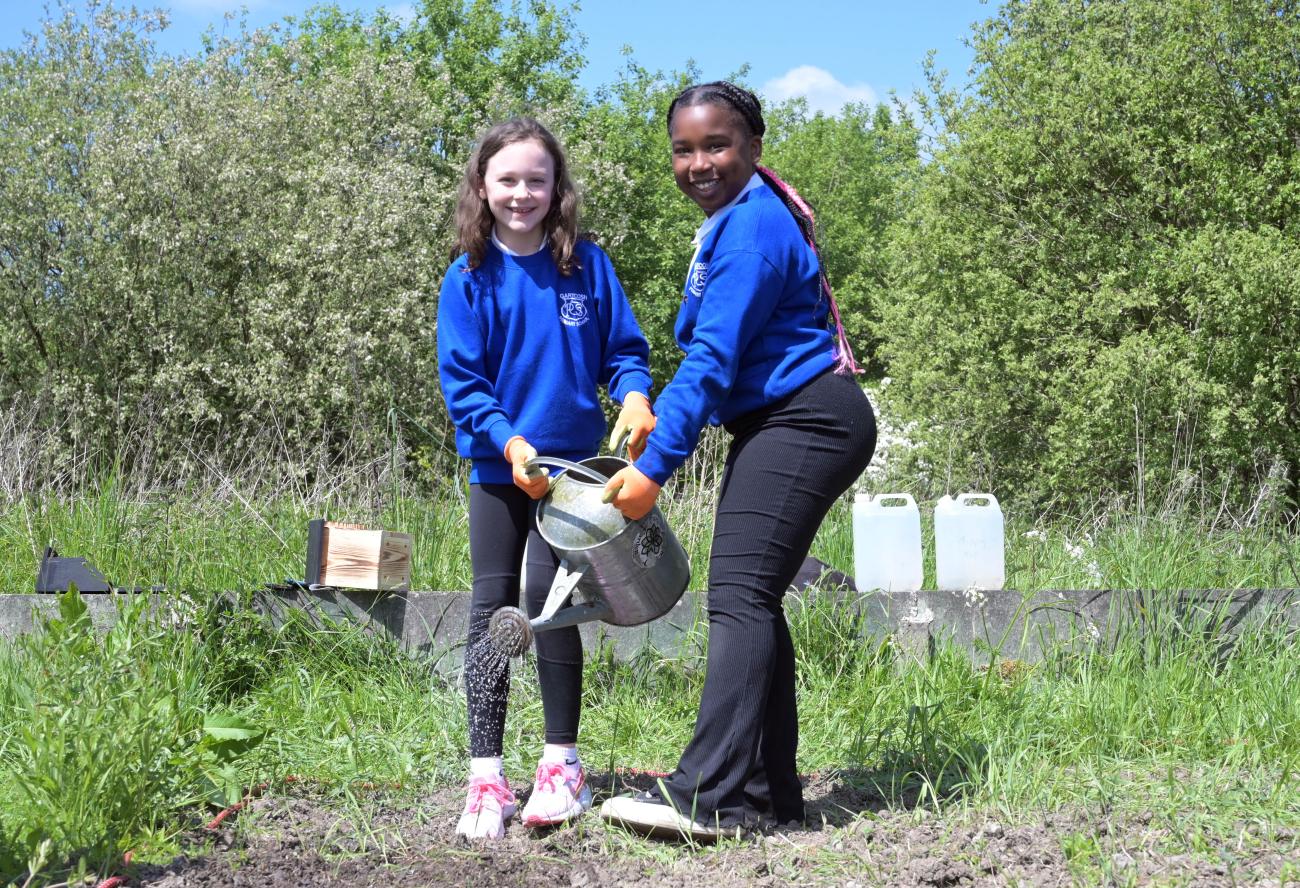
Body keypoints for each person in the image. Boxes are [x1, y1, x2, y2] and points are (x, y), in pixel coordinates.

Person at [598, 82, 877, 840]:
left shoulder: (750, 229)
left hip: (807, 419)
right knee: (752, 597)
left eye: (716, 145)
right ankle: (766, 795)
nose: (699, 163)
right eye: (683, 150)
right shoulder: (736, 220)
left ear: (752, 146)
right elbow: (713, 355)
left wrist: (655, 473)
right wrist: (649, 411)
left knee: (739, 598)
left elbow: (715, 359)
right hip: (783, 420)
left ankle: (708, 797)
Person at [437, 117, 654, 840]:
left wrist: (633, 391)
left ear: (557, 187)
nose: (522, 193)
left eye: (537, 179)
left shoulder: (585, 266)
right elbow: (464, 383)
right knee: (493, 609)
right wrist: (508, 444)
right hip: (502, 469)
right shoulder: (468, 278)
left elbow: (622, 350)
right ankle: (486, 778)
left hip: (574, 477)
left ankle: (563, 767)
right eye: (507, 180)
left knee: (555, 605)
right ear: (482, 187)